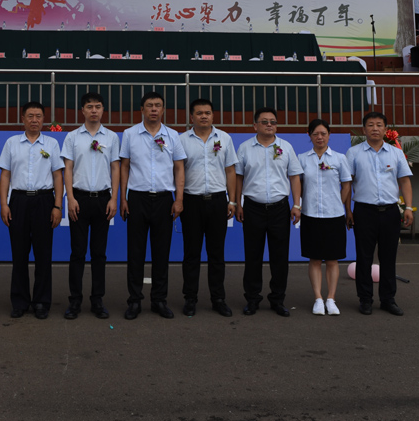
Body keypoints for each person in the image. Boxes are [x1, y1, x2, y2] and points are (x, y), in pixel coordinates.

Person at [119, 91, 186, 320]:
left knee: (161, 253)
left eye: (158, 105)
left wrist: (179, 199)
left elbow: (179, 167)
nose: (154, 109)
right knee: (135, 253)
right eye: (149, 105)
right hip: (137, 198)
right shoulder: (129, 134)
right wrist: (123, 198)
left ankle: (159, 300)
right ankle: (134, 301)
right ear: (142, 109)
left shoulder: (173, 135)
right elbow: (125, 166)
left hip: (164, 199)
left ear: (163, 109)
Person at [0, 101, 64, 319]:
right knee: (19, 254)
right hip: (18, 200)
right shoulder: (11, 143)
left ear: (44, 119)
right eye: (30, 116)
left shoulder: (52, 144)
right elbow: (5, 175)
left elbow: (58, 176)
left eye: (38, 116)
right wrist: (4, 204)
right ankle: (20, 301)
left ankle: (42, 302)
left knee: (43, 254)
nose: (34, 120)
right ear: (23, 119)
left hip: (44, 200)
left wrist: (57, 205)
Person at [235, 107, 303, 317]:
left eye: (273, 121)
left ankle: (277, 299)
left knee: (279, 258)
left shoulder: (286, 147)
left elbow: (294, 177)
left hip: (279, 208)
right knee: (253, 256)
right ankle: (252, 299)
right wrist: (237, 204)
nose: (269, 125)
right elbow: (238, 177)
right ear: (255, 125)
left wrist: (297, 205)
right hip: (253, 208)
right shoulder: (245, 148)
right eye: (264, 122)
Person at [345, 111, 414, 316]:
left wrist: (408, 207)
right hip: (364, 212)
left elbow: (404, 181)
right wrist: (348, 210)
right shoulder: (353, 153)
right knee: (364, 258)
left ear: (386, 129)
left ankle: (388, 299)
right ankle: (365, 299)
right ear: (364, 129)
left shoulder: (396, 153)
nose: (375, 128)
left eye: (379, 125)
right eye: (370, 125)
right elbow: (347, 184)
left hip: (390, 212)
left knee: (388, 258)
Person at [61, 91, 119, 319]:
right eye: (89, 107)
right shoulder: (72, 137)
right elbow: (67, 168)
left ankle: (97, 300)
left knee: (99, 253)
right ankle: (75, 301)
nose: (94, 110)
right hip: (79, 199)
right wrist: (70, 198)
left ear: (103, 110)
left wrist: (114, 198)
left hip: (103, 199)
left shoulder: (112, 137)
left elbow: (115, 168)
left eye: (98, 106)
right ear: (82, 111)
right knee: (77, 252)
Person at [178, 98, 236, 317]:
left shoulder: (225, 138)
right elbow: (178, 171)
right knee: (191, 253)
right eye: (199, 113)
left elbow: (230, 170)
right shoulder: (182, 140)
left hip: (218, 201)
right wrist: (179, 199)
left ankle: (218, 298)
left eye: (208, 113)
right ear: (191, 116)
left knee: (216, 254)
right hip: (191, 201)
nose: (204, 116)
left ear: (213, 115)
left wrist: (232, 200)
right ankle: (190, 298)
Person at [296, 119, 352, 316]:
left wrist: (338, 202)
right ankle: (318, 298)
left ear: (329, 135)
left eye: (323, 133)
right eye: (315, 134)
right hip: (310, 214)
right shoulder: (302, 159)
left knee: (332, 259)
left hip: (334, 215)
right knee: (314, 259)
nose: (319, 137)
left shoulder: (339, 158)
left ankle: (331, 299)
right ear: (309, 136)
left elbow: (346, 184)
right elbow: (298, 185)